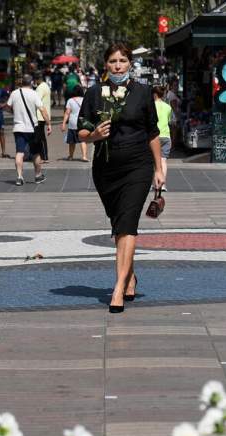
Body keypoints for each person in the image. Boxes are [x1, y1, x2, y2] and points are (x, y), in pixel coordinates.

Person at [78, 43, 164, 313]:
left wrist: (159, 168)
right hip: (105, 168)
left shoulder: (142, 93)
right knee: (119, 226)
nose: (118, 66)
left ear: (130, 64)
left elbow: (153, 132)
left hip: (138, 166)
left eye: (122, 61)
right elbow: (80, 130)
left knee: (127, 224)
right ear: (106, 65)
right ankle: (129, 276)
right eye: (113, 61)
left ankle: (117, 287)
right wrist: (93, 136)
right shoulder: (94, 94)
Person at [6, 74, 51, 186]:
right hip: (32, 128)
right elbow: (43, 110)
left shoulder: (14, 93)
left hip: (18, 128)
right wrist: (48, 123)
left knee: (19, 152)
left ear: (21, 82)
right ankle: (38, 176)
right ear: (31, 83)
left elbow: (8, 106)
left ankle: (19, 177)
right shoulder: (34, 94)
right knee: (36, 153)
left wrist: (15, 112)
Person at [153, 85, 173, 188]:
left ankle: (155, 182)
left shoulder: (151, 106)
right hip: (166, 136)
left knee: (154, 160)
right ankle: (162, 185)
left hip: (154, 136)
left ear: (154, 94)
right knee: (163, 160)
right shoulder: (168, 107)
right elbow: (169, 121)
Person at [61, 87, 87, 162]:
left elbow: (67, 113)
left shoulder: (70, 100)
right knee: (83, 139)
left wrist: (63, 123)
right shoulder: (84, 100)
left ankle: (71, 156)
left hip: (72, 123)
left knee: (72, 142)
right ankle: (84, 156)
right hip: (82, 123)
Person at [34, 72, 53, 162]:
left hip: (39, 115)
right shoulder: (45, 86)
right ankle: (43, 156)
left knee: (40, 138)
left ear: (37, 79)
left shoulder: (40, 88)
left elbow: (36, 101)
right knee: (41, 137)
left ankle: (43, 157)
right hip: (43, 115)